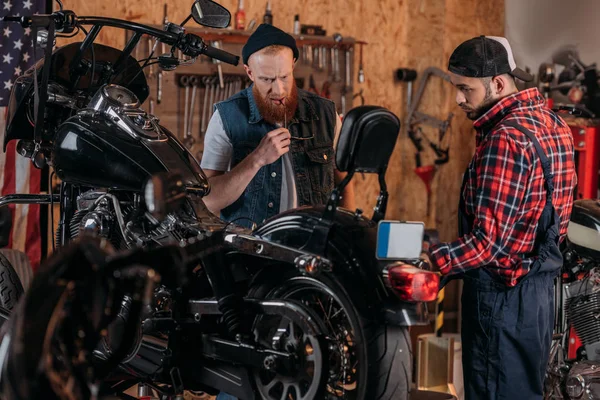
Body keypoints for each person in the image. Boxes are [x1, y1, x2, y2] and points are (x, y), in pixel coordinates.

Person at [426, 36, 577, 400]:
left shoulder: (506, 139)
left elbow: (488, 244)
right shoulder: (553, 124)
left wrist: (429, 262)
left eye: (465, 89)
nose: (459, 99)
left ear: (497, 83)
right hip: (538, 298)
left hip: (500, 303)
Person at [201, 24, 354, 230]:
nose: (279, 90)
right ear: (250, 73)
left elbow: (344, 184)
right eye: (267, 79)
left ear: (293, 64)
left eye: (284, 77)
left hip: (313, 248)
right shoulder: (226, 117)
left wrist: (346, 234)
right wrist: (256, 160)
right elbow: (207, 202)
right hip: (253, 251)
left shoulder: (326, 113)